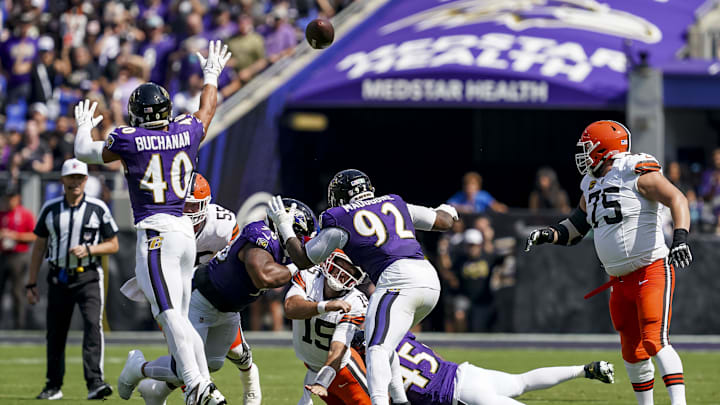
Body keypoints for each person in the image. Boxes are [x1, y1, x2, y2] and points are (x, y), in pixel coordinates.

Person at [72, 40, 232, 405]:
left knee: (169, 313)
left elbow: (84, 151)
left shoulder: (129, 139)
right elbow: (207, 111)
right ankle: (204, 386)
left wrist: (83, 125)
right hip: (184, 235)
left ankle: (195, 387)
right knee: (180, 318)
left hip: (156, 234)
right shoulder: (186, 132)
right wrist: (211, 75)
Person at [525, 120, 692, 405]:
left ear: (605, 147)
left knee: (654, 340)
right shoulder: (590, 183)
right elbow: (575, 229)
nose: (583, 154)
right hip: (619, 279)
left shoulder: (634, 170)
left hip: (650, 268)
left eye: (587, 147)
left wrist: (680, 239)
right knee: (631, 348)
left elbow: (677, 198)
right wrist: (548, 234)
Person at [267, 169, 458, 405]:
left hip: (397, 280)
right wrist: (450, 209)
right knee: (382, 343)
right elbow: (443, 221)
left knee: (376, 348)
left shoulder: (339, 217)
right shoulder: (395, 202)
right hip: (429, 279)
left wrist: (285, 227)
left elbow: (304, 259)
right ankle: (400, 400)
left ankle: (382, 402)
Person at [131, 198, 316, 405]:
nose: (299, 242)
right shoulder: (262, 235)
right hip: (201, 298)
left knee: (213, 363)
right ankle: (138, 368)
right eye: (298, 235)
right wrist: (298, 266)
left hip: (230, 309)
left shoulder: (282, 248)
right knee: (191, 372)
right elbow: (263, 276)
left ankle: (151, 385)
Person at [26, 158, 119, 400]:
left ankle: (95, 382)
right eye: (71, 177)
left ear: (86, 180)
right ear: (63, 180)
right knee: (56, 332)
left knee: (92, 326)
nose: (75, 182)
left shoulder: (98, 208)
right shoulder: (50, 208)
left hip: (88, 275)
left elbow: (113, 244)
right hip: (58, 276)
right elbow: (39, 248)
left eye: (80, 178)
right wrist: (32, 282)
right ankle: (53, 385)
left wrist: (89, 250)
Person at [349, 330, 615, 405]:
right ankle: (584, 369)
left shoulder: (373, 366)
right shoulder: (397, 334)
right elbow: (433, 354)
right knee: (520, 382)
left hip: (459, 394)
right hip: (465, 372)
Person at [286, 249, 369, 405]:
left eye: (351, 271)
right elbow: (291, 308)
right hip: (312, 365)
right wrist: (326, 306)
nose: (342, 274)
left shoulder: (356, 302)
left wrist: (323, 380)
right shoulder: (308, 275)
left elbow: (338, 347)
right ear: (330, 260)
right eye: (341, 265)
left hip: (341, 370)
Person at [0, 185, 36, 329]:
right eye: (7, 198)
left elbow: (34, 235)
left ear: (18, 198)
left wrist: (16, 236)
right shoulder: (2, 214)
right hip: (3, 255)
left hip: (19, 255)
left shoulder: (25, 214)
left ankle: (19, 326)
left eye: (12, 198)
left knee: (17, 292)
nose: (9, 201)